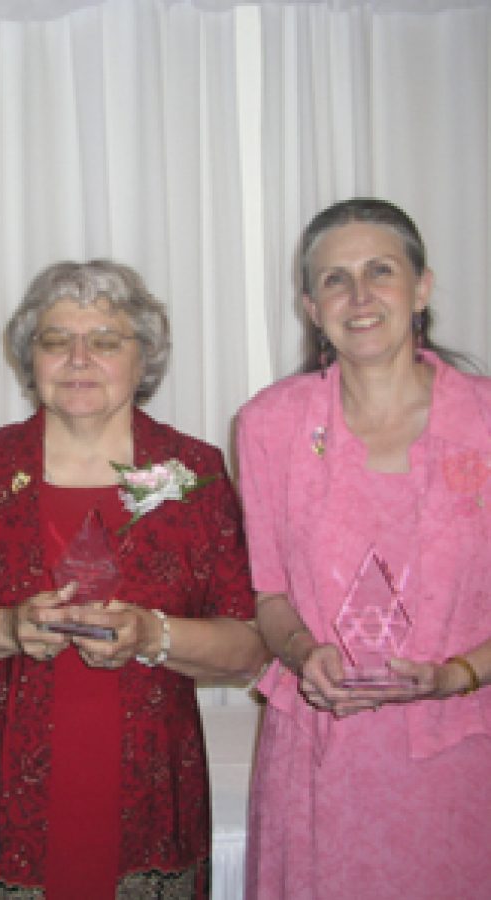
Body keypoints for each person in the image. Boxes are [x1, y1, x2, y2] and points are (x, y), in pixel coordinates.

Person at [0, 259, 267, 898]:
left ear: (143, 357)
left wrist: (155, 634)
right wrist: (6, 627)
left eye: (104, 341)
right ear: (29, 358)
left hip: (153, 790)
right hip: (11, 786)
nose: (77, 359)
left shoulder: (195, 473)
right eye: (55, 340)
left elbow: (247, 647)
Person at [237, 197, 491, 899]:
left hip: (465, 758)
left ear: (422, 288)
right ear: (312, 309)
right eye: (334, 280)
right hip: (321, 759)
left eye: (380, 271)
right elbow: (270, 596)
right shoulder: (269, 426)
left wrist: (458, 675)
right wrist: (298, 651)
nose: (359, 295)